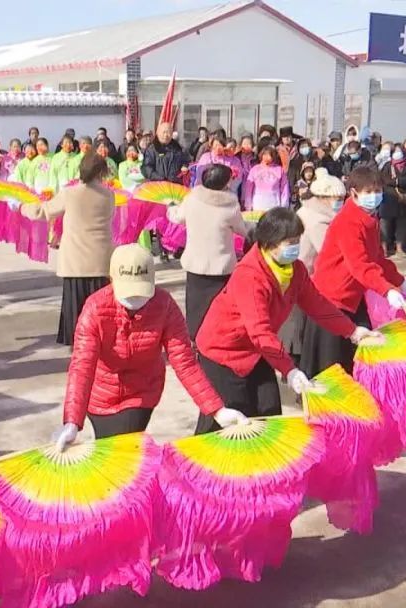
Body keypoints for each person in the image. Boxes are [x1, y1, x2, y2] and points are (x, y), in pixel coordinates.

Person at [51, 244, 247, 449]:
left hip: (141, 393)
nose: (136, 300)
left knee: (125, 448)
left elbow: (185, 362)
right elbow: (82, 367)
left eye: (141, 292)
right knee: (112, 454)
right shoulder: (95, 309)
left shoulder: (164, 306)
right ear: (112, 280)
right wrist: (72, 422)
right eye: (128, 292)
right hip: (101, 394)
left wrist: (217, 409)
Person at [195, 209, 372, 433]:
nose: (295, 247)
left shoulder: (294, 270)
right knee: (227, 422)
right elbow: (259, 331)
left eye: (297, 240)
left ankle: (261, 467)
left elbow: (317, 304)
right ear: (270, 243)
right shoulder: (250, 275)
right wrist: (290, 369)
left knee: (268, 417)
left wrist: (352, 331)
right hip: (224, 352)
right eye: (290, 242)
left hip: (259, 351)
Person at [301, 167, 406, 377]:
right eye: (368, 192)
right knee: (331, 364)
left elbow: (377, 258)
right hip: (332, 297)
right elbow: (359, 264)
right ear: (354, 193)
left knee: (357, 353)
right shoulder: (348, 222)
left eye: (377, 191)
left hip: (353, 295)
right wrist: (386, 290)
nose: (374, 197)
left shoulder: (369, 218)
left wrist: (399, 281)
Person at [16, 153, 115, 346]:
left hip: (75, 261)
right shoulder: (108, 195)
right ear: (101, 172)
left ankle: (78, 346)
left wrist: (21, 207)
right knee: (99, 309)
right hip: (100, 260)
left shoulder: (69, 193)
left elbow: (43, 211)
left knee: (76, 309)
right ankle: (100, 343)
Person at [167, 163, 248, 339]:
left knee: (195, 307)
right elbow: (243, 230)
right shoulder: (230, 206)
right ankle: (216, 339)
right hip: (221, 267)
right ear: (226, 183)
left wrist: (170, 207)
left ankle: (195, 340)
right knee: (219, 307)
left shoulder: (192, 199)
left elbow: (177, 217)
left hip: (196, 264)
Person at [279, 168, 347, 364]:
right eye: (336, 198)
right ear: (322, 197)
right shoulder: (316, 219)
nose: (339, 202)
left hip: (303, 273)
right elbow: (327, 251)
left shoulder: (312, 212)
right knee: (297, 321)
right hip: (304, 274)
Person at [380, 143, 406, 257]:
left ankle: (400, 248)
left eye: (399, 151)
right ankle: (383, 248)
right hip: (389, 198)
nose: (397, 154)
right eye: (395, 151)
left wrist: (397, 182)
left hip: (404, 199)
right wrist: (397, 183)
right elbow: (383, 180)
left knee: (403, 225)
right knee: (385, 224)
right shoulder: (388, 165)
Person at [243, 145, 289, 211]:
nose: (266, 157)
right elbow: (248, 188)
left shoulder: (279, 170)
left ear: (273, 156)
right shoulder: (255, 169)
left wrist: (284, 205)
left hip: (274, 204)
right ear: (261, 155)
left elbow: (284, 188)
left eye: (269, 155)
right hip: (258, 204)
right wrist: (248, 204)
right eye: (265, 154)